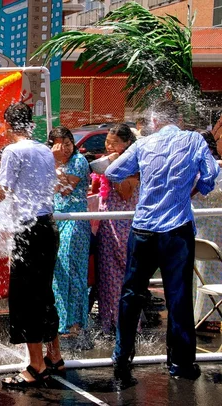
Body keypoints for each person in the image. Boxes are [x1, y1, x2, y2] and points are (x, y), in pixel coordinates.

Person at [105, 100, 220, 381]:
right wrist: (191, 191)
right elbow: (211, 175)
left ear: (155, 121)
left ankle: (121, 360)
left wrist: (142, 176)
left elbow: (111, 172)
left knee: (131, 295)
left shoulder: (145, 143)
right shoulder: (193, 140)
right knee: (178, 298)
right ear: (179, 119)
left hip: (143, 228)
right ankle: (180, 365)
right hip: (177, 230)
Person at [0, 102, 64, 389]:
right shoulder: (44, 150)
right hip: (48, 227)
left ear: (7, 125)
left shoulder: (13, 151)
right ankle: (55, 356)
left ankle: (36, 366)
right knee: (44, 293)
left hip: (28, 231)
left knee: (25, 297)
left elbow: (0, 194)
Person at [93, 124, 139, 335]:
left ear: (126, 143)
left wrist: (113, 168)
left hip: (122, 223)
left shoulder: (132, 163)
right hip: (107, 222)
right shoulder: (110, 160)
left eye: (114, 143)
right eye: (107, 143)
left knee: (121, 275)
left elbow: (126, 193)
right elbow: (97, 190)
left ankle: (125, 324)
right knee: (106, 275)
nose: (109, 146)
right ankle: (108, 322)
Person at [49, 126, 91, 337]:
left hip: (75, 221)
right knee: (59, 271)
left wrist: (55, 164)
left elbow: (65, 189)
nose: (65, 149)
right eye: (59, 145)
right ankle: (61, 322)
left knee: (72, 270)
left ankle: (76, 323)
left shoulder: (78, 162)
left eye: (68, 144)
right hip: (58, 220)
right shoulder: (52, 162)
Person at [192, 130, 222, 324]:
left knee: (208, 267)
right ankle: (200, 316)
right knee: (197, 269)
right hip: (198, 223)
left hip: (212, 224)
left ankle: (208, 318)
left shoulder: (215, 167)